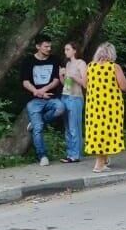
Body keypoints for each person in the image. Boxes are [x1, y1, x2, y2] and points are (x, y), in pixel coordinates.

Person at [84, 42, 126, 173]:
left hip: (94, 106)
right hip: (110, 106)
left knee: (97, 132)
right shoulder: (114, 67)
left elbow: (85, 85)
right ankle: (99, 164)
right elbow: (124, 86)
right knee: (107, 133)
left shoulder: (90, 67)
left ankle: (104, 159)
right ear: (112, 54)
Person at [21, 35, 64, 167]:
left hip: (51, 97)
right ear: (38, 46)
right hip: (34, 100)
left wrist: (44, 90)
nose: (49, 48)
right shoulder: (28, 61)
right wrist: (37, 92)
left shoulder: (55, 59)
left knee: (60, 108)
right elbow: (25, 81)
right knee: (38, 129)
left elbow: (56, 80)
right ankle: (42, 156)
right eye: (46, 46)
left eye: (50, 46)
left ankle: (36, 123)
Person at [58, 41, 87, 164]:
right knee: (67, 128)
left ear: (75, 50)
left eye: (68, 49)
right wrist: (61, 76)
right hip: (65, 95)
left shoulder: (81, 63)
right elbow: (66, 84)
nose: (66, 52)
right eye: (65, 50)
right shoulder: (68, 64)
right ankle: (70, 153)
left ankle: (76, 154)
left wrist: (73, 76)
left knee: (74, 127)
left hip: (75, 97)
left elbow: (85, 83)